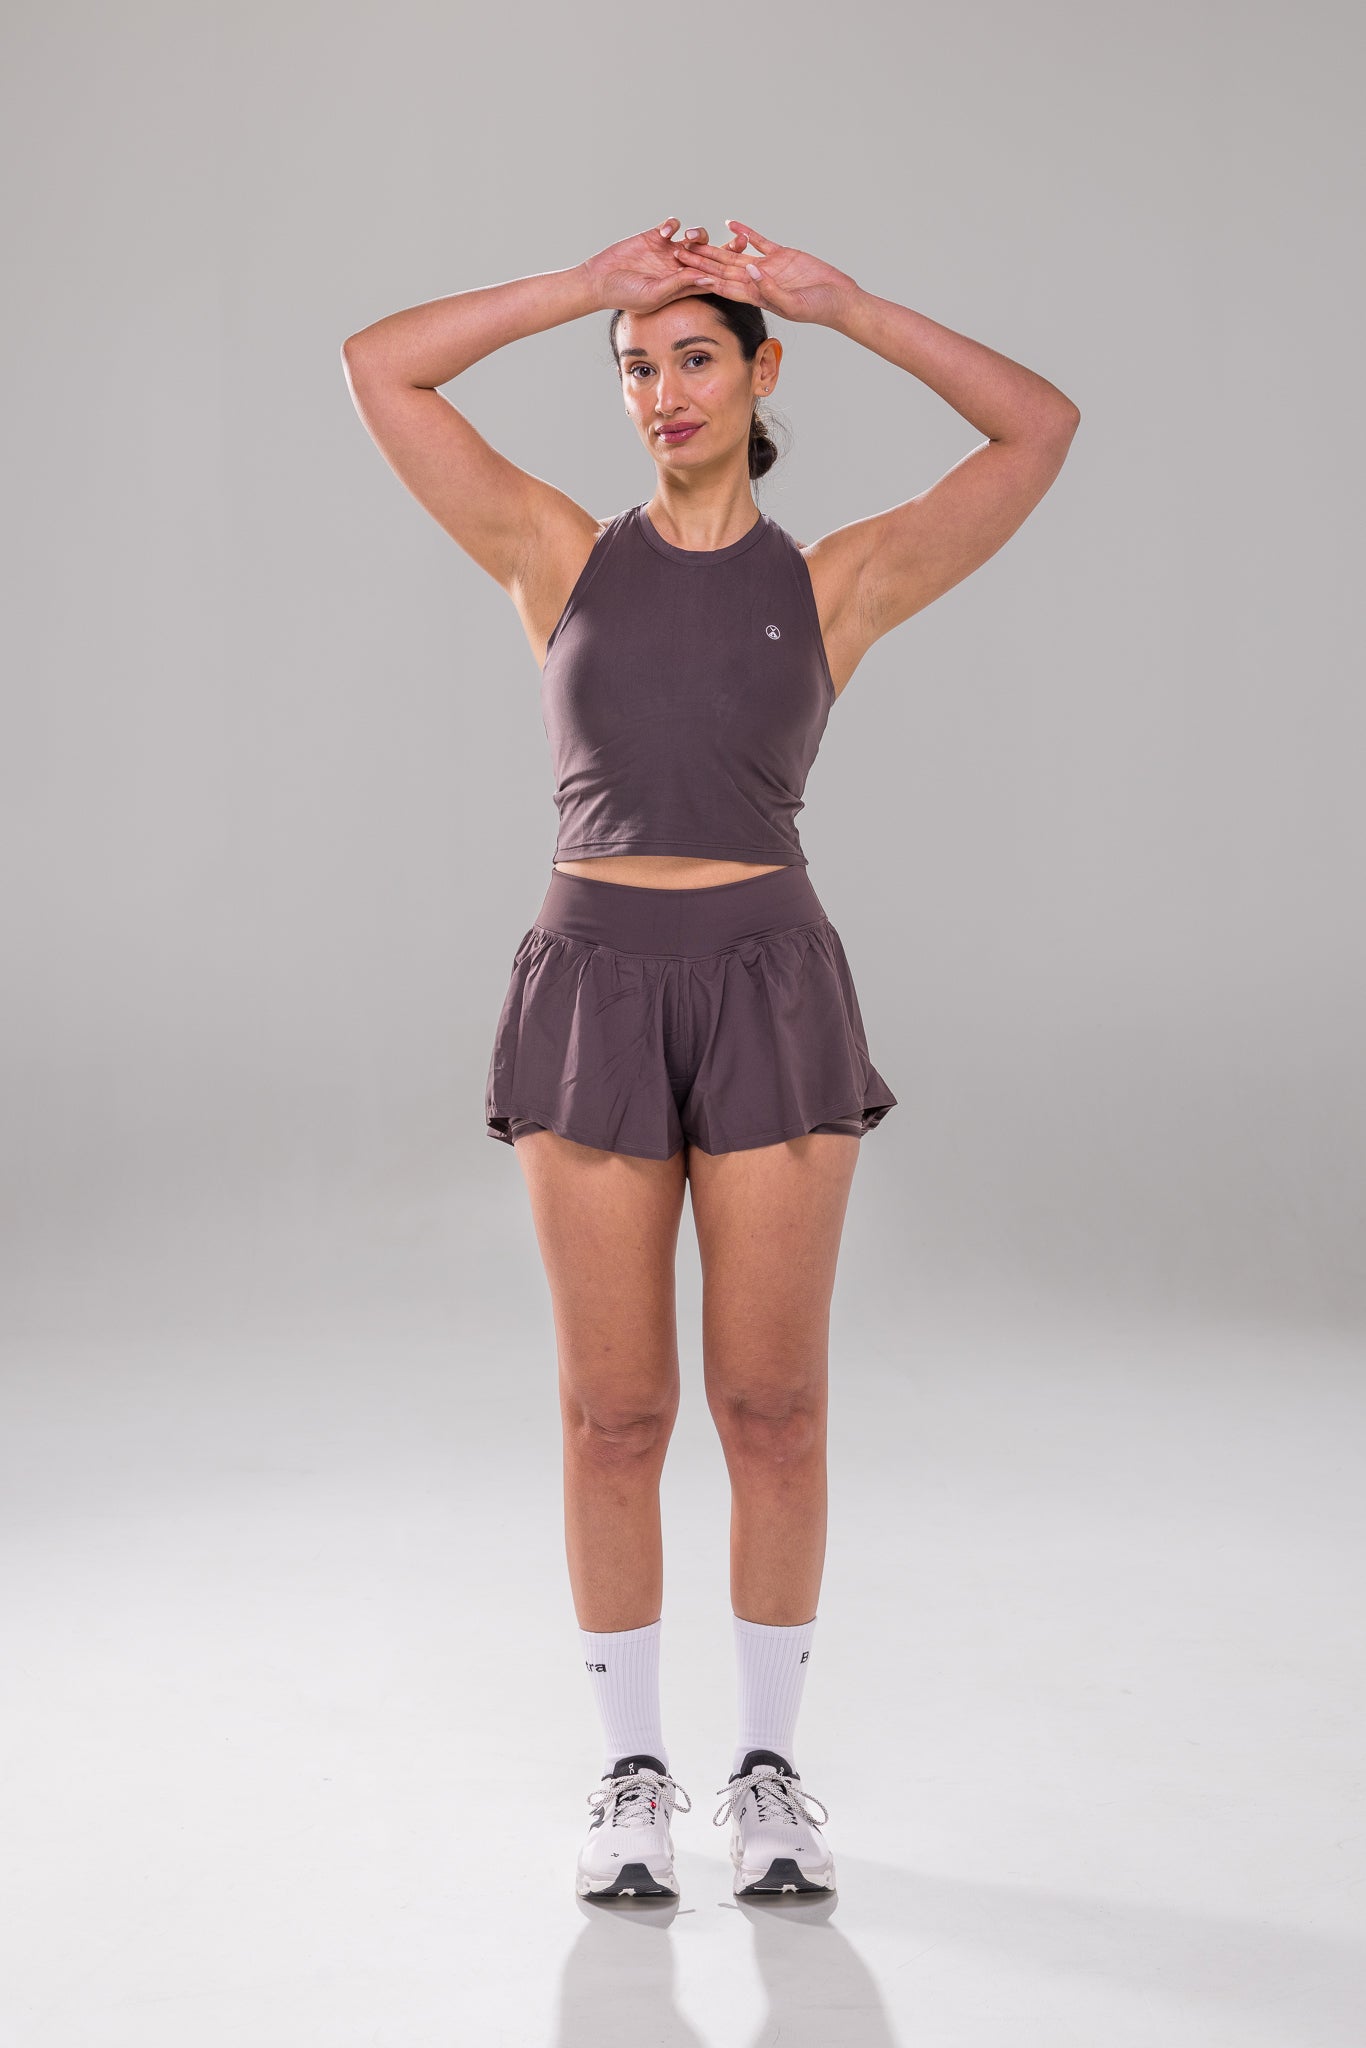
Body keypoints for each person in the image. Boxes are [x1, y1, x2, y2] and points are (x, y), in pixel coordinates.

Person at [341, 218, 1080, 1903]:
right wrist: (580, 287)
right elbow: (379, 368)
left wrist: (851, 303)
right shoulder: (554, 552)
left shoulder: (832, 584)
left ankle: (766, 1773)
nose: (662, 391)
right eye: (634, 367)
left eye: (693, 357)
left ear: (758, 374)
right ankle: (628, 1774)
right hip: (594, 985)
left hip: (767, 988)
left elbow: (1036, 429)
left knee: (772, 1405)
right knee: (614, 1413)